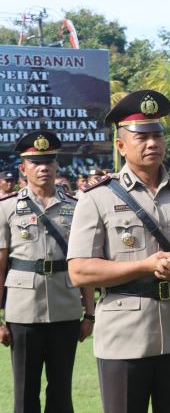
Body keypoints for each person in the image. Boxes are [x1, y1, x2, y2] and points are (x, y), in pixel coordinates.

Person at [66, 90, 170, 413]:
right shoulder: (97, 197)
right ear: (121, 145)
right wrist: (144, 266)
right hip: (124, 337)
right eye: (142, 137)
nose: (152, 144)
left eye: (157, 136)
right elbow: (79, 270)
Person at [0, 131, 95, 413]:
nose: (43, 167)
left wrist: (89, 313)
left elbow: (84, 263)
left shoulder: (75, 208)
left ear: (56, 166)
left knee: (61, 390)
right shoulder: (6, 209)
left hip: (65, 308)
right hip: (22, 311)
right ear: (23, 168)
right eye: (35, 162)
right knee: (25, 392)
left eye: (49, 161)